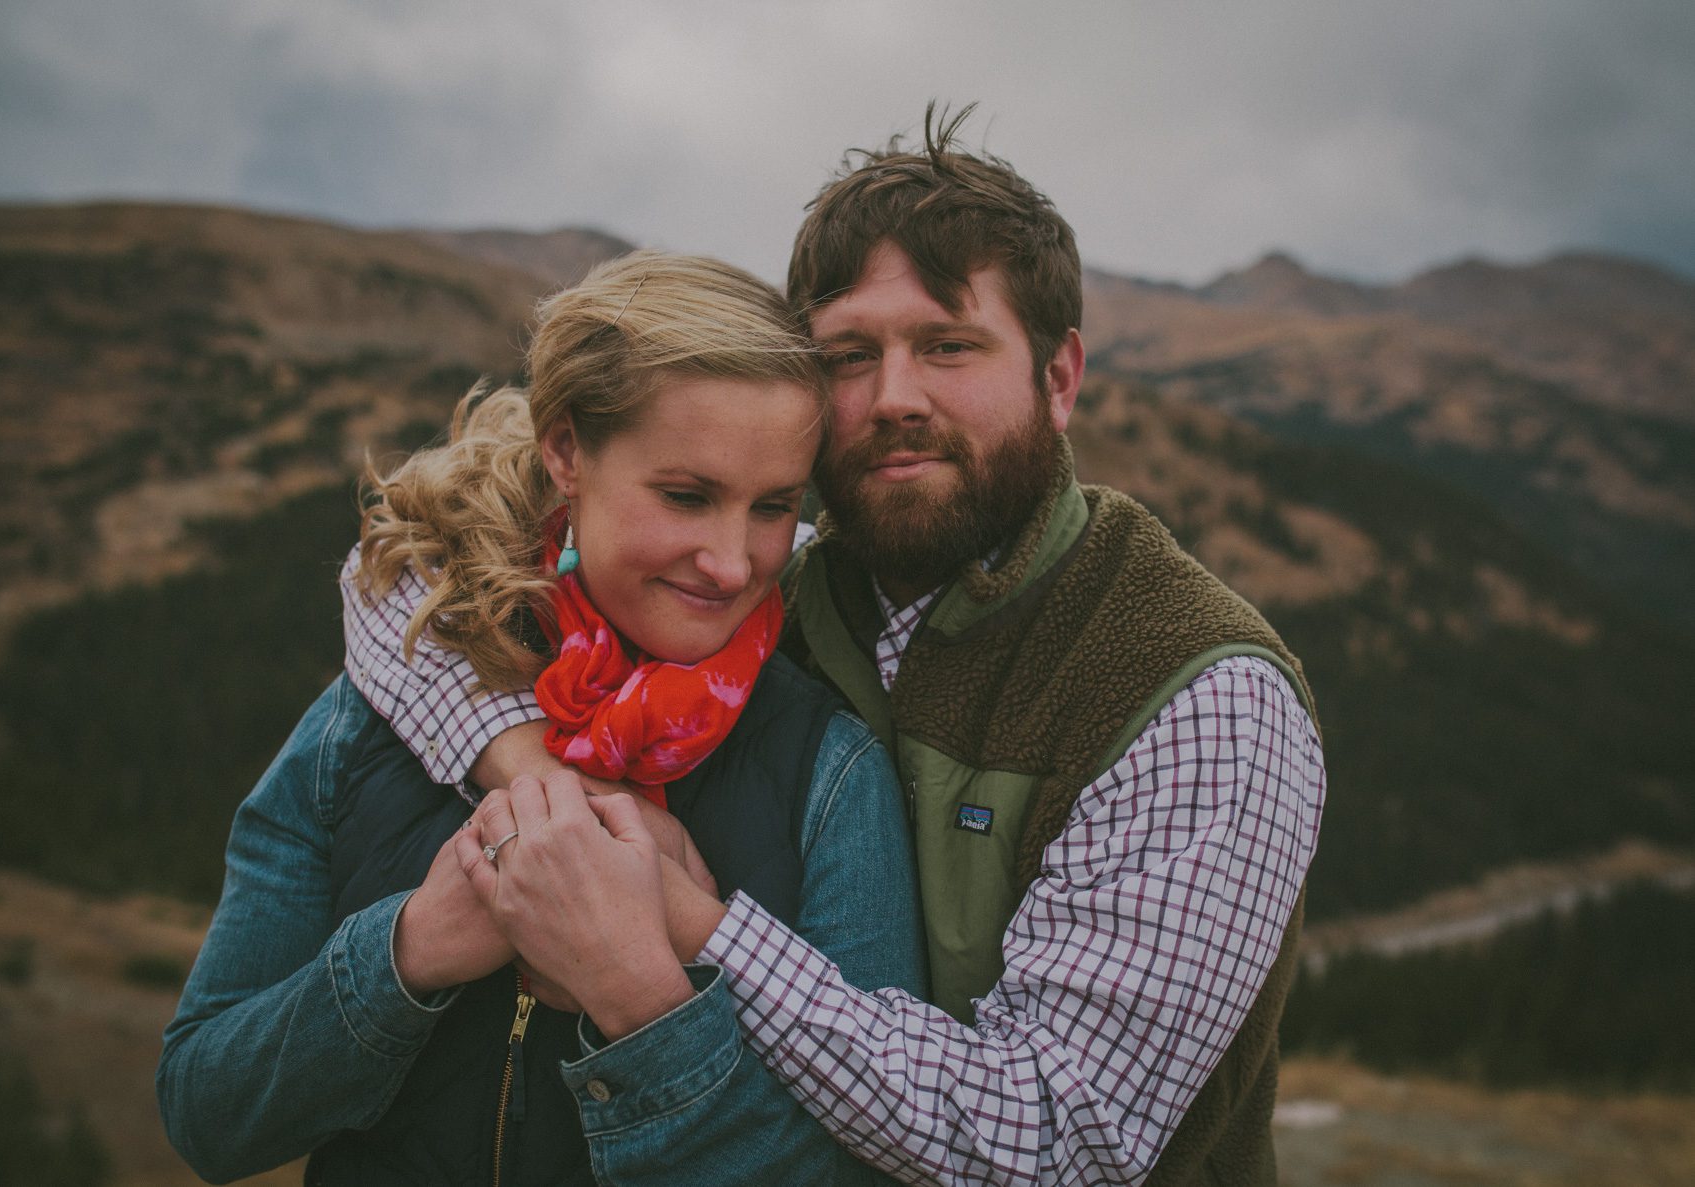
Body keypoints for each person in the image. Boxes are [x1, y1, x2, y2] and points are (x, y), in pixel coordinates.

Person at [348, 107, 1328, 1185]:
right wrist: (536, 778)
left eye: (949, 346)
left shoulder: (1197, 689)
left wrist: (689, 927)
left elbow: (1057, 1140)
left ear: (1058, 377)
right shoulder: (771, 592)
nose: (894, 397)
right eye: (849, 356)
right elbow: (394, 574)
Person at [157, 251, 927, 1185]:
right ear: (566, 451)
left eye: (772, 507)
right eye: (685, 495)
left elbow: (876, 1165)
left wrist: (640, 1002)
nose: (730, 563)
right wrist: (414, 949)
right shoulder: (379, 711)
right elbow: (205, 1109)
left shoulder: (829, 769)